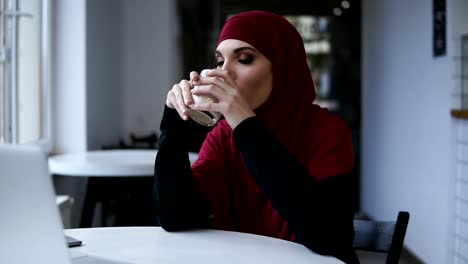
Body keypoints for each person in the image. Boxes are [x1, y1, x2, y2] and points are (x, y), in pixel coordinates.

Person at [154, 10, 358, 264]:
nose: (223, 73)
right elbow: (176, 217)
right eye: (219, 62)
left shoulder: (327, 131)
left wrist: (245, 122)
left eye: (244, 59)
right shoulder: (223, 137)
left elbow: (330, 236)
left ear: (281, 68)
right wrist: (173, 121)